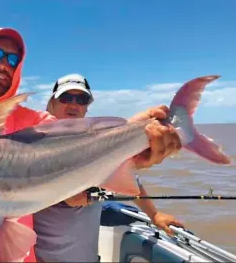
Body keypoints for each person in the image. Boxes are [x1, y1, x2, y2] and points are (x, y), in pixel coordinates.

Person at [0, 25, 182, 263]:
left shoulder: (36, 123)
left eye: (13, 59)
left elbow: (81, 143)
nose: (3, 64)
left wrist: (134, 136)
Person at [33, 73, 185, 262]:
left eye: (81, 99)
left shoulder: (97, 144)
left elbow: (130, 180)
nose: (73, 104)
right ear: (51, 103)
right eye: (66, 98)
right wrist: (128, 133)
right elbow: (75, 197)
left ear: (87, 107)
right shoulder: (35, 144)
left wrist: (154, 214)